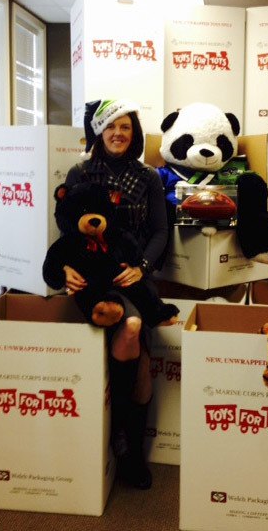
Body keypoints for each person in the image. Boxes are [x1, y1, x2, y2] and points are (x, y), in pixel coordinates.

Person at [64, 98, 175, 490]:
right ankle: (124, 447)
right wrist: (65, 268)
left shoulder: (148, 177)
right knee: (132, 330)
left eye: (125, 126)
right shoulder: (79, 172)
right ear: (99, 130)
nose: (118, 133)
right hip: (92, 279)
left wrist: (141, 267)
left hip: (132, 277)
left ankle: (127, 447)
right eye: (111, 126)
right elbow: (66, 227)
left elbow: (160, 231)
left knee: (140, 358)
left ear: (134, 133)